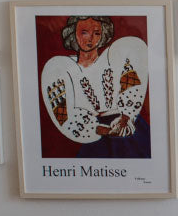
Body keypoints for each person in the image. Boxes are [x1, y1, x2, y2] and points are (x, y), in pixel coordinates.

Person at [40, 13, 151, 159]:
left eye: (97, 33)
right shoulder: (61, 68)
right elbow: (66, 116)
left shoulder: (116, 58)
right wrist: (105, 131)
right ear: (73, 34)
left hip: (126, 126)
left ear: (103, 34)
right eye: (84, 32)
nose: (91, 38)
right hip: (95, 134)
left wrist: (125, 118)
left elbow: (132, 86)